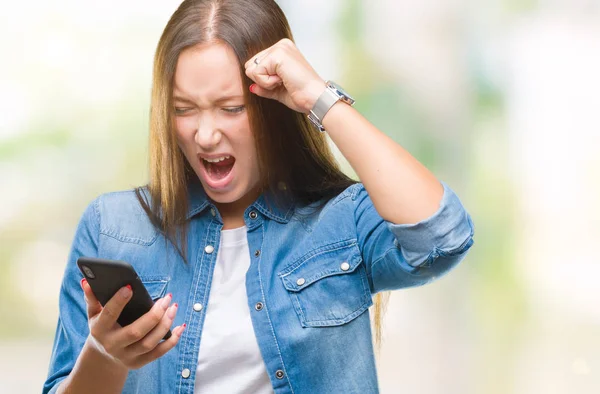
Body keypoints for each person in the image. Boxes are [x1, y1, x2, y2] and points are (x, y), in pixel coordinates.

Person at [43, 0, 474, 393]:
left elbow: (441, 235)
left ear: (273, 104)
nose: (205, 135)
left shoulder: (339, 220)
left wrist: (318, 98)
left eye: (230, 108)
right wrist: (105, 356)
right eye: (183, 109)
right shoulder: (114, 227)